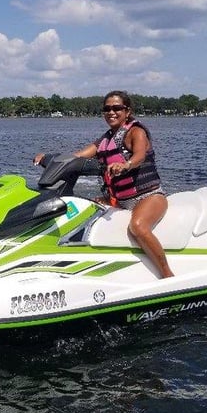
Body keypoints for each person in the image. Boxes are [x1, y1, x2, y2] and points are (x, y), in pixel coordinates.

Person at [34, 90, 174, 278]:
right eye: (107, 109)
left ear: (127, 111)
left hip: (148, 196)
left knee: (138, 227)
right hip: (119, 199)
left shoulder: (136, 132)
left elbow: (139, 155)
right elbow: (78, 155)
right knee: (81, 211)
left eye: (117, 108)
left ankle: (167, 275)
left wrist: (126, 165)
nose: (111, 112)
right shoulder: (106, 139)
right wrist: (49, 158)